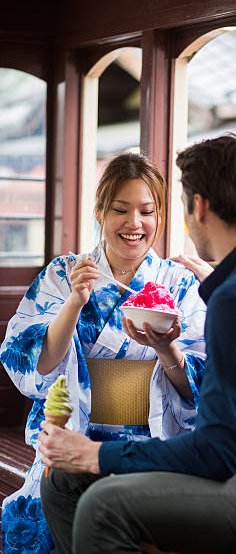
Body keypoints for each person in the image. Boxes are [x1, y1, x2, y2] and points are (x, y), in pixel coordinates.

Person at [39, 134, 236, 554]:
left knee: (102, 506)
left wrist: (95, 456)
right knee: (62, 481)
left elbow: (215, 453)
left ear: (198, 206)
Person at [0, 152, 206, 554]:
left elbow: (201, 382)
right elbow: (31, 362)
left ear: (160, 217)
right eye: (120, 210)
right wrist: (75, 301)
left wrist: (166, 349)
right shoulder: (64, 273)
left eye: (147, 211)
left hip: (148, 443)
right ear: (99, 211)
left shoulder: (179, 284)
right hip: (71, 436)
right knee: (38, 512)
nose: (134, 224)